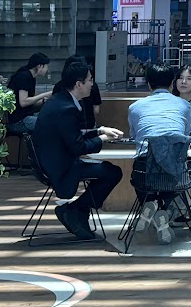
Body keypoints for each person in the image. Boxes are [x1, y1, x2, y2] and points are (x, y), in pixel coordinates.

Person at [31, 56, 125, 241]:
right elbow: (78, 147)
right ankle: (76, 210)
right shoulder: (67, 108)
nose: (92, 84)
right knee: (112, 172)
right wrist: (102, 139)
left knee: (108, 170)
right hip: (61, 168)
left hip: (54, 161)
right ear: (79, 84)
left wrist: (99, 130)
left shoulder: (60, 101)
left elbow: (72, 136)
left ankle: (77, 211)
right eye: (90, 80)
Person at [128, 63, 191, 155]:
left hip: (145, 161)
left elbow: (135, 135)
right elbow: (186, 133)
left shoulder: (134, 107)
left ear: (149, 85)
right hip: (176, 161)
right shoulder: (185, 105)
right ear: (172, 84)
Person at [6, 52, 52, 134]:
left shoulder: (31, 77)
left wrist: (44, 101)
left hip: (26, 116)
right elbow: (23, 102)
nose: (47, 69)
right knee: (49, 124)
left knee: (51, 118)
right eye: (46, 66)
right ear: (39, 66)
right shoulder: (24, 76)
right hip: (18, 120)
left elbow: (30, 102)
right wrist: (44, 95)